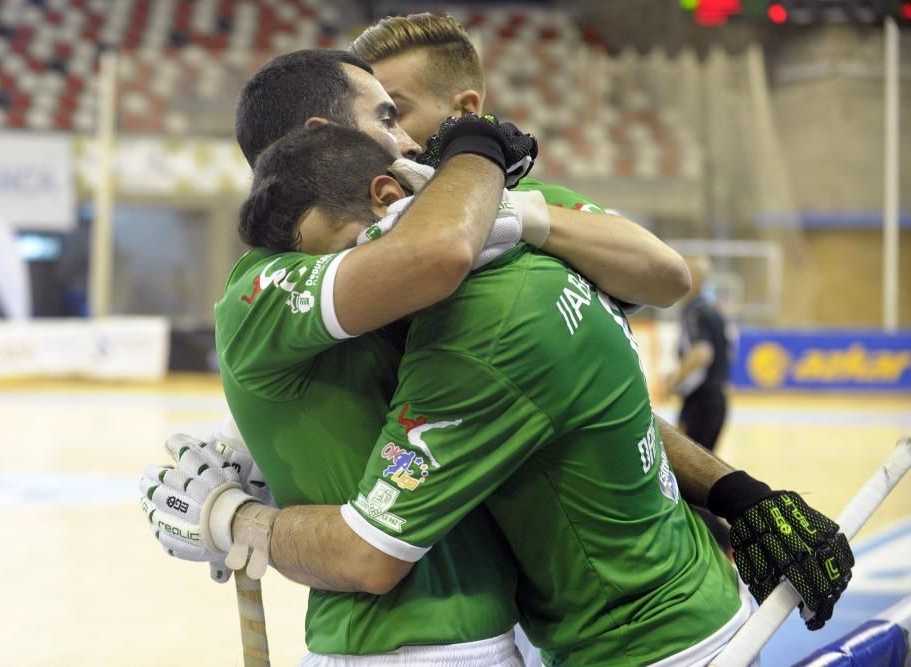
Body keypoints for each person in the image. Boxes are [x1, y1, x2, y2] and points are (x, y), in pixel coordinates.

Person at [149, 124, 854, 666]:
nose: (404, 141)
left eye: (401, 117)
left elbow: (370, 551)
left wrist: (231, 520)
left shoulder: (478, 316)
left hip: (628, 640)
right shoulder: (522, 245)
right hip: (638, 618)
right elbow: (565, 387)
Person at [141, 48, 693, 665]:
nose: (408, 140)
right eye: (387, 116)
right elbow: (437, 254)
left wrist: (522, 211)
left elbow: (663, 283)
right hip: (402, 642)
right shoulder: (273, 279)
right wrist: (236, 503)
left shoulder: (484, 206)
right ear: (326, 137)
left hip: (522, 631)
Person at [665, 256, 736, 553]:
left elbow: (702, 353)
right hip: (716, 399)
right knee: (697, 477)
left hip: (701, 402)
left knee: (687, 479)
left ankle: (726, 543)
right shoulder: (716, 312)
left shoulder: (694, 312)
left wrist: (674, 379)